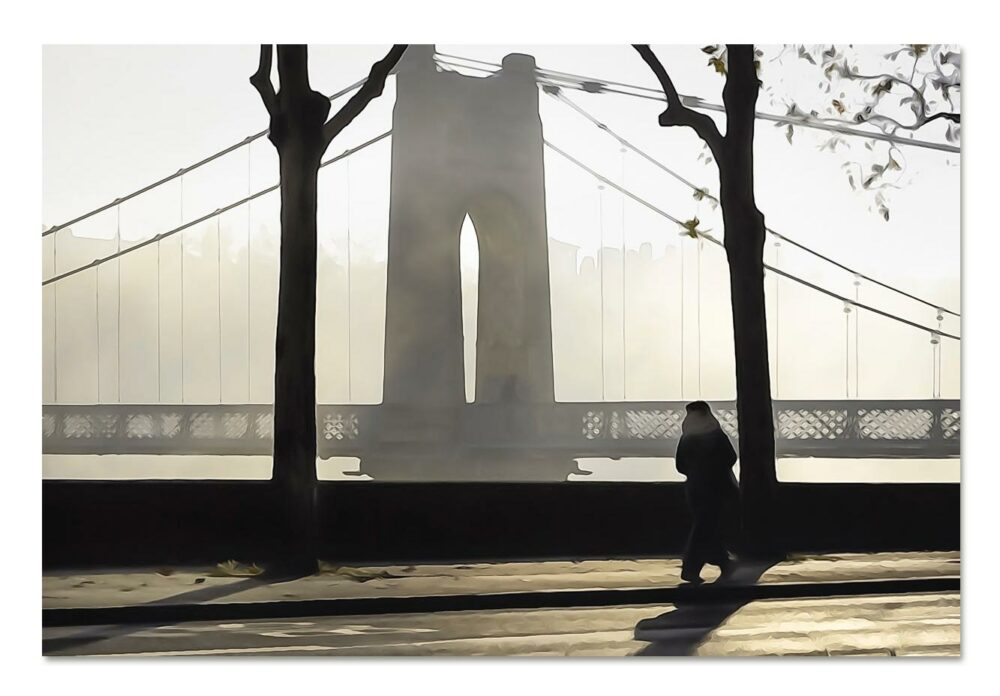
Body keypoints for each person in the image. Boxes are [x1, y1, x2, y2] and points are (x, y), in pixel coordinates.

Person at [675, 400, 739, 584]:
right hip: (717, 486)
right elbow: (731, 458)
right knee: (706, 526)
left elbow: (680, 466)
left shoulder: (687, 438)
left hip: (695, 488)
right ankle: (692, 568)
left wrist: (696, 472)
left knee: (706, 525)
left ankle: (723, 562)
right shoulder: (716, 435)